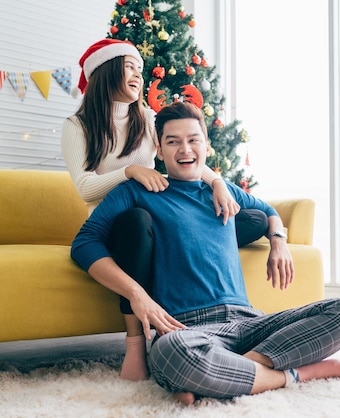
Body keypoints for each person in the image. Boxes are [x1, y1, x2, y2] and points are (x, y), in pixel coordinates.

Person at [70, 102, 340, 405]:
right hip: (187, 329)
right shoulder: (136, 191)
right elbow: (85, 242)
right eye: (173, 141)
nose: (185, 149)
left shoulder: (224, 191)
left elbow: (268, 211)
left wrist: (278, 241)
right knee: (173, 354)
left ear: (206, 146)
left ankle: (221, 374)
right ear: (159, 149)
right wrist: (136, 294)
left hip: (249, 323)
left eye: (193, 139)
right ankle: (299, 374)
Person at [61, 39, 269, 382]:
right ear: (105, 72)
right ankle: (136, 344)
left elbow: (180, 149)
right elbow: (84, 187)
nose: (138, 76)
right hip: (120, 223)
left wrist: (217, 182)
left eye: (140, 70)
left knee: (251, 219)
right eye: (129, 67)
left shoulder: (147, 116)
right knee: (136, 221)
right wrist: (129, 171)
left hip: (163, 219)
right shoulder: (77, 125)